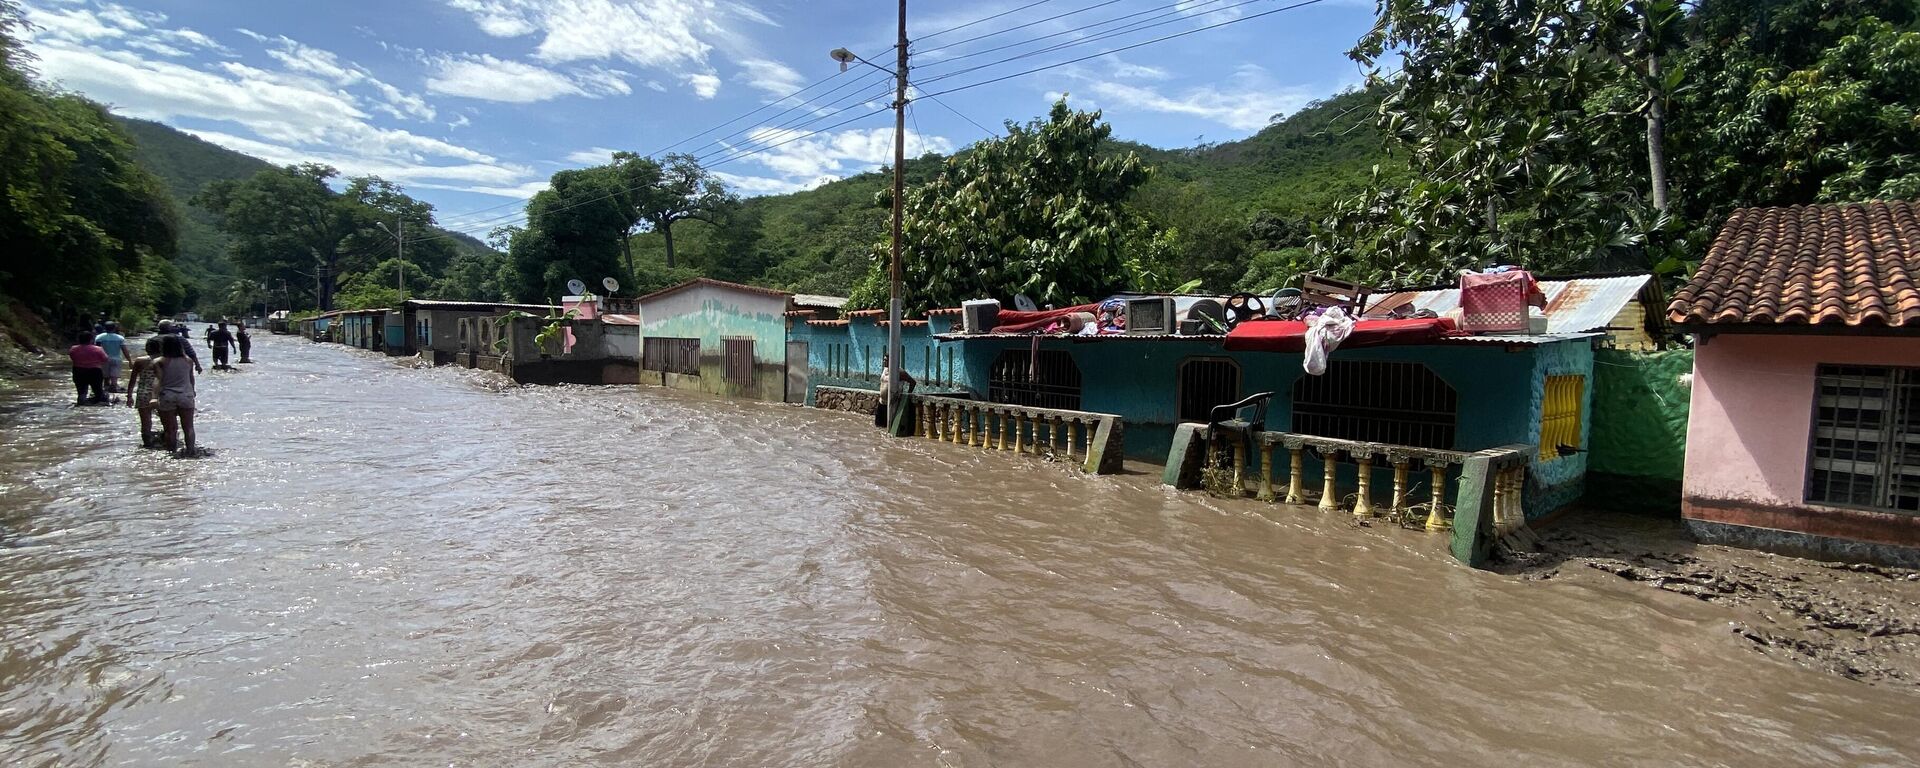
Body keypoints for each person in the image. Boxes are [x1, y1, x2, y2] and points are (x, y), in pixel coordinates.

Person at [154, 334, 197, 456]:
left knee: (170, 429)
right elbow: (191, 378)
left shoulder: (159, 361)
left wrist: (153, 397)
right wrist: (192, 392)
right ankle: (190, 451)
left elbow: (158, 380)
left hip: (167, 395)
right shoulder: (188, 361)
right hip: (186, 395)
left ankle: (171, 453)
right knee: (188, 427)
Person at [127, 336, 165, 448]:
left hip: (143, 393)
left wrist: (129, 396)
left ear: (147, 348)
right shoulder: (165, 360)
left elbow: (132, 379)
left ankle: (148, 444)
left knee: (145, 422)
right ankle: (167, 441)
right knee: (166, 420)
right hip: (160, 393)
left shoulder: (140, 361)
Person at [872, 353, 917, 430]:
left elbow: (913, 382)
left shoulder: (899, 372)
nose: (884, 361)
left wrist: (907, 396)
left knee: (890, 427)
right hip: (882, 403)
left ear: (892, 360)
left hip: (893, 405)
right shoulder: (885, 370)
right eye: (884, 359)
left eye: (886, 360)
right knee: (878, 428)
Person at [67, 332, 109, 405]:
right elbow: (105, 359)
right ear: (91, 340)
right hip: (95, 371)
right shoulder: (98, 349)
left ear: (79, 339)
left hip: (78, 371)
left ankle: (81, 402)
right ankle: (98, 403)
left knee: (81, 391)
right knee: (97, 390)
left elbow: (72, 357)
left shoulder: (73, 349)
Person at [94, 322, 129, 393]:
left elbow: (97, 349)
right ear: (114, 328)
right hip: (116, 359)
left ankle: (106, 392)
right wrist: (130, 361)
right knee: (114, 377)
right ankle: (113, 388)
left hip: (103, 359)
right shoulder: (120, 338)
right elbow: (124, 350)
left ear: (104, 328)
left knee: (105, 378)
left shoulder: (99, 337)